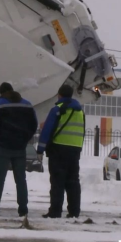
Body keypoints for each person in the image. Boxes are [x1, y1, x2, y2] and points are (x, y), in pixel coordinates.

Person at [0, 82, 38, 218]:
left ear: (2, 92)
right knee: (21, 179)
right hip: (20, 147)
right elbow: (34, 124)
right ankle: (23, 209)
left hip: (2, 146)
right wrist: (25, 139)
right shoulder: (26, 104)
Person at [37, 84, 86, 219]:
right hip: (74, 150)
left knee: (57, 182)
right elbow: (82, 131)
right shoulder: (80, 111)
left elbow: (47, 130)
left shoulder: (57, 109)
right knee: (73, 182)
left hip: (58, 149)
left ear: (59, 95)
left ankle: (55, 211)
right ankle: (74, 212)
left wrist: (40, 149)